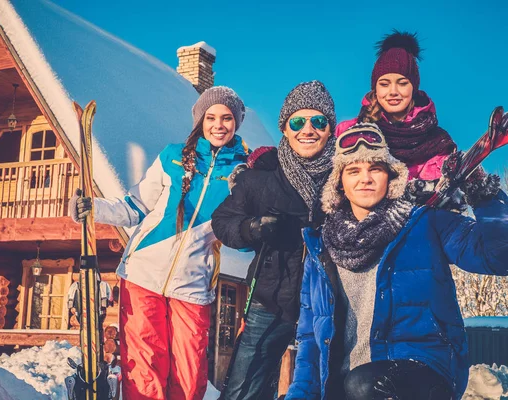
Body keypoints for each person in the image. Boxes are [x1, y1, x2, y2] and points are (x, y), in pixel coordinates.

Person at [286, 122, 505, 400]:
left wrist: (484, 195)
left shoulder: (426, 224)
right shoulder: (320, 249)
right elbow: (309, 341)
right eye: (353, 171)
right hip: (346, 385)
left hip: (423, 371)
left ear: (391, 177)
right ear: (339, 183)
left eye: (375, 169)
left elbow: (498, 257)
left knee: (362, 384)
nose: (364, 179)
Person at [70, 86, 249, 400]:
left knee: (190, 375)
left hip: (193, 285)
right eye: (211, 117)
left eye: (227, 118)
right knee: (144, 367)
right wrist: (94, 208)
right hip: (142, 275)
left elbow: (242, 235)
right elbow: (134, 207)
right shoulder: (172, 156)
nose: (218, 124)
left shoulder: (242, 172)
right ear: (200, 120)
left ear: (237, 123)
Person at [212, 81, 337, 399]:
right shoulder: (261, 178)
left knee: (325, 385)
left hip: (328, 301)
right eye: (298, 122)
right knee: (245, 386)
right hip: (270, 298)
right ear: (284, 127)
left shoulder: (345, 176)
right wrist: (253, 228)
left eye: (318, 121)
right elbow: (223, 221)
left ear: (330, 128)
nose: (307, 129)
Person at [336, 30, 459, 204]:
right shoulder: (348, 132)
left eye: (402, 83)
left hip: (420, 225)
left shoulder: (437, 141)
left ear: (413, 88)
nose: (393, 92)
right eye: (384, 84)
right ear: (375, 89)